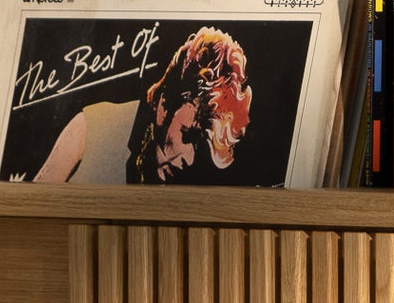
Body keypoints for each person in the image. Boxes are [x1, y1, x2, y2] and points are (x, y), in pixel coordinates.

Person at [34, 26, 254, 185]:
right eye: (187, 135)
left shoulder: (186, 180)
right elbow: (34, 213)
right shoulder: (90, 128)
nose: (189, 158)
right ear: (164, 106)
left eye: (199, 146)